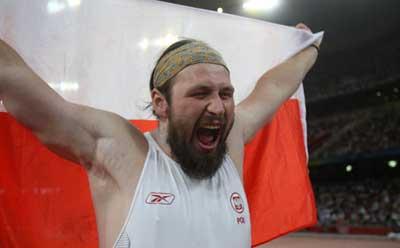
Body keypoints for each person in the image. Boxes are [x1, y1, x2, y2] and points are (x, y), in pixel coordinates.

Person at [0, 23, 320, 248]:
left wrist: (308, 48)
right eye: (200, 93)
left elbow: (275, 87)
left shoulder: (231, 139)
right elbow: (22, 88)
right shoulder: (123, 151)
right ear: (160, 103)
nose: (218, 107)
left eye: (226, 93)